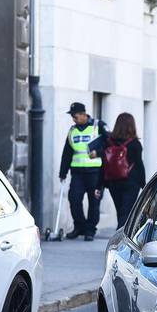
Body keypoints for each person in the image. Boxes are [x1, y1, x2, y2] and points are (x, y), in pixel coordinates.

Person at [58, 102, 104, 241]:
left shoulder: (98, 126)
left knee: (94, 202)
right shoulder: (72, 130)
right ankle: (79, 227)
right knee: (74, 199)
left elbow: (109, 146)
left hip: (95, 172)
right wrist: (63, 172)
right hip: (77, 173)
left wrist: (99, 153)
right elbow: (67, 152)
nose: (73, 119)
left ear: (84, 114)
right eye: (72, 116)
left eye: (75, 116)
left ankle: (90, 230)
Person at [101, 112, 146, 229]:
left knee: (120, 211)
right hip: (131, 182)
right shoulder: (135, 144)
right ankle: (119, 238)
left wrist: (102, 183)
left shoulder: (108, 143)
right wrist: (143, 184)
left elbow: (104, 164)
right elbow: (139, 164)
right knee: (126, 212)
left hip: (113, 182)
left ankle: (120, 233)